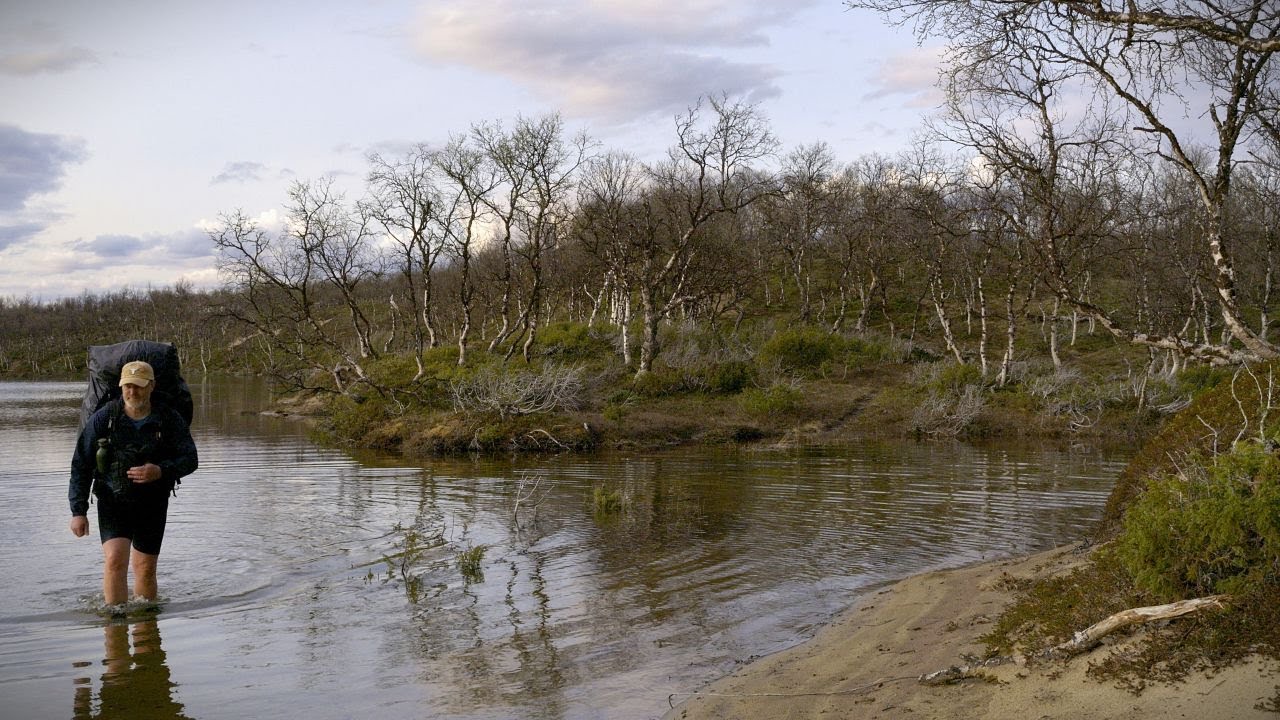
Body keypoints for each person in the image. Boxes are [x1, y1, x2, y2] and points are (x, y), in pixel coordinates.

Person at [69, 360, 198, 607]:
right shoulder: (104, 418)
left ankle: (146, 630)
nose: (132, 392)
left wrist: (160, 471)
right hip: (112, 499)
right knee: (115, 560)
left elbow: (191, 459)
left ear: (151, 386)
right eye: (127, 386)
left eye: (138, 386)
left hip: (153, 502)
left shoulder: (168, 419)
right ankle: (115, 621)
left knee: (145, 568)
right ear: (120, 386)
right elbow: (81, 464)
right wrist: (78, 511)